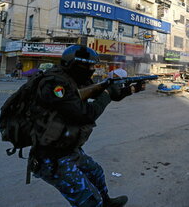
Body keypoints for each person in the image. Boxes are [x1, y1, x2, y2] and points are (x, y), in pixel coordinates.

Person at [30, 45, 143, 207]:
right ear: (75, 64)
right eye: (89, 66)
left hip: (69, 149)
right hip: (51, 157)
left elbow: (106, 93)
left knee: (96, 173)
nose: (92, 69)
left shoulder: (75, 79)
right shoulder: (54, 84)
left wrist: (130, 89)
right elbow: (85, 114)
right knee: (89, 202)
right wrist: (106, 94)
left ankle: (107, 202)